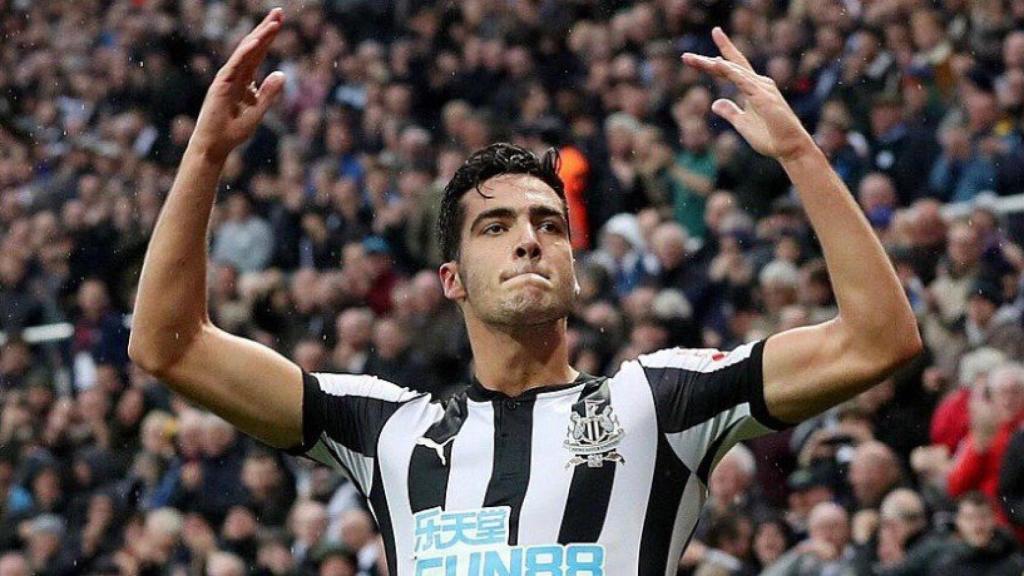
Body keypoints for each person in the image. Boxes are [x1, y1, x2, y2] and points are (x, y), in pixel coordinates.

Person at [128, 12, 921, 575]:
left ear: (575, 268)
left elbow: (877, 340)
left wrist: (798, 153)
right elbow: (170, 347)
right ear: (452, 282)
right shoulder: (386, 429)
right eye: (495, 226)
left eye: (548, 222)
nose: (529, 238)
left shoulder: (661, 402)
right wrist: (204, 154)